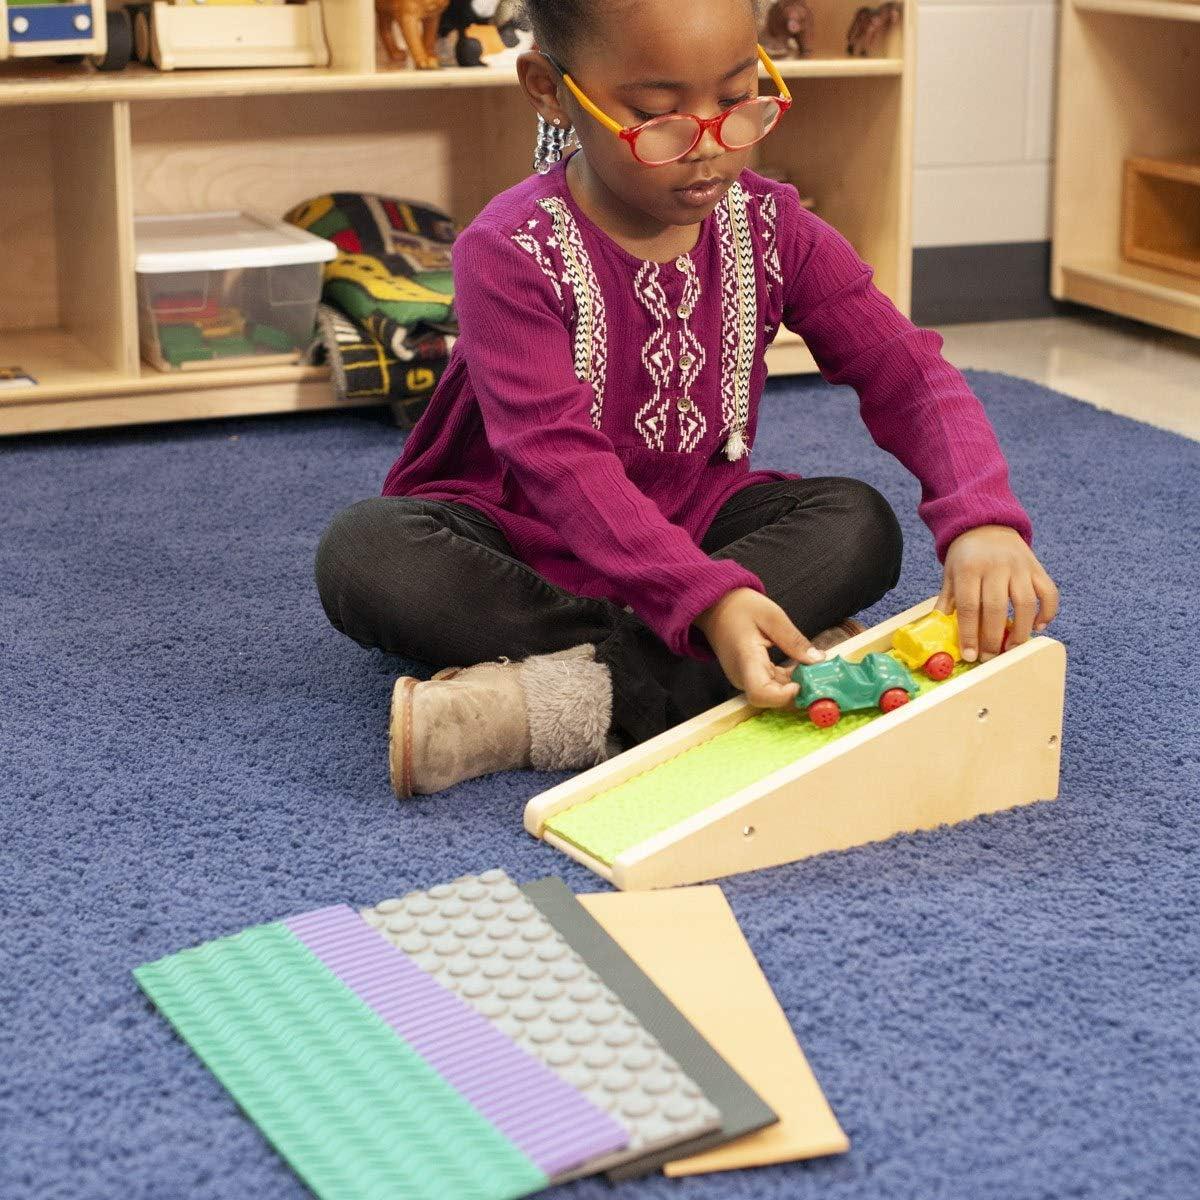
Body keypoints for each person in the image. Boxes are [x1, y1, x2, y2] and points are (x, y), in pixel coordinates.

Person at [315, 0, 1060, 800]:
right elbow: (555, 460)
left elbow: (907, 372)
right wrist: (710, 597)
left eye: (738, 98)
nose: (709, 147)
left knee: (859, 525)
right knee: (365, 554)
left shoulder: (777, 229)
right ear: (550, 89)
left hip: (693, 522)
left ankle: (538, 703)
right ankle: (700, 663)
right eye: (657, 116)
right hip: (514, 535)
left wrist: (980, 514)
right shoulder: (508, 252)